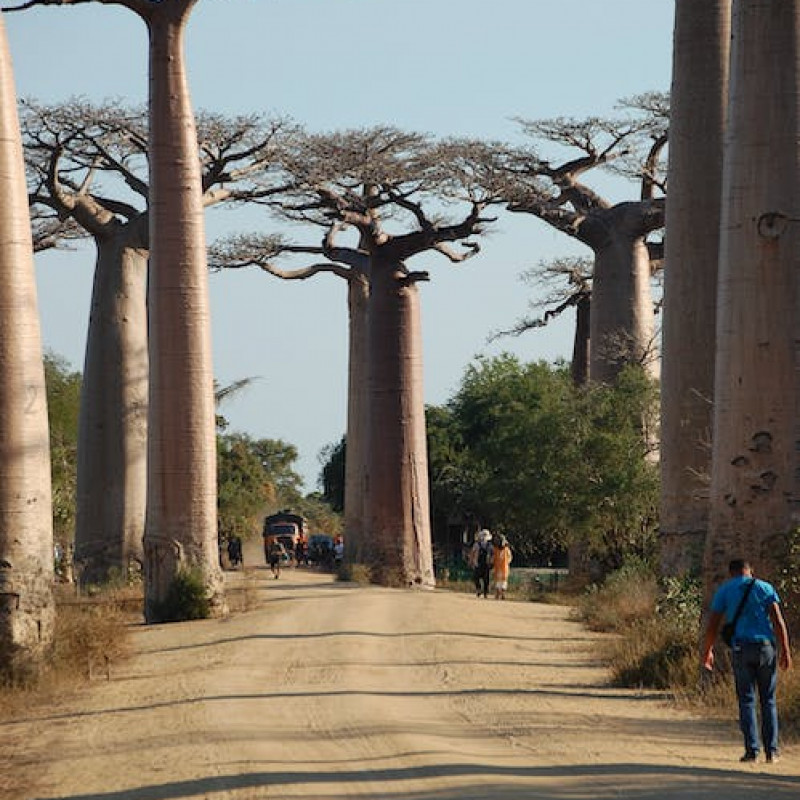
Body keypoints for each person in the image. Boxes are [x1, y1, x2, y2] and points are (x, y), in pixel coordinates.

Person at [702, 558, 792, 763]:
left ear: (731, 572)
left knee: (746, 700)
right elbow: (778, 621)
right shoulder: (765, 587)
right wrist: (785, 650)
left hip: (741, 648)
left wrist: (708, 651)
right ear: (750, 571)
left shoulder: (725, 590)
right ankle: (772, 751)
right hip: (766, 648)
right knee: (768, 700)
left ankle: (752, 750)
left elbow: (713, 624)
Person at [469, 530, 493, 598]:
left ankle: (481, 591)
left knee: (480, 578)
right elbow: (472, 553)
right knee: (482, 578)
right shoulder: (488, 545)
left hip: (481, 564)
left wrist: (471, 561)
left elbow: (472, 553)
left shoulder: (479, 544)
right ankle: (482, 591)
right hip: (482, 564)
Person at [491, 535, 513, 600]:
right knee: (498, 581)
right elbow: (493, 558)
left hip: (504, 568)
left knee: (503, 581)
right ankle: (498, 594)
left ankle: (502, 594)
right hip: (498, 568)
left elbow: (509, 558)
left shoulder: (506, 550)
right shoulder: (495, 550)